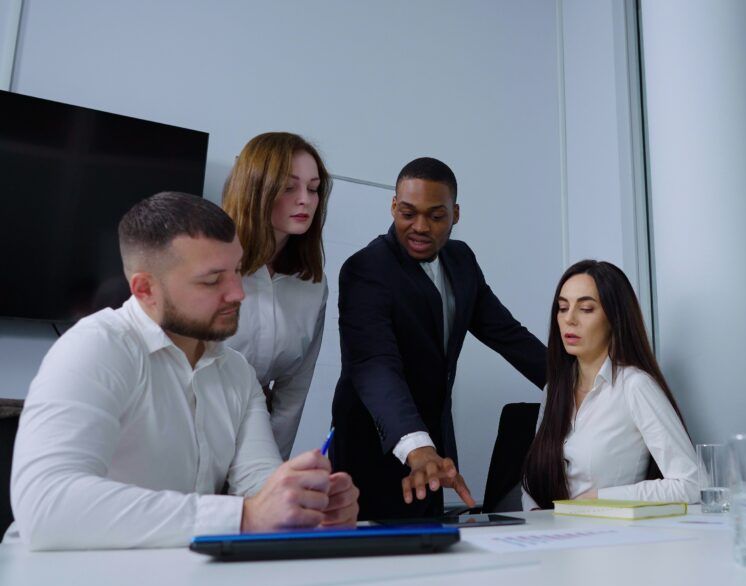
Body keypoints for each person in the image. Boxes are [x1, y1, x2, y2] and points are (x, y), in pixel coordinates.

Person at [6, 192, 358, 550]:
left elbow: (258, 485)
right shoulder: (96, 348)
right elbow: (46, 504)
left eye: (238, 270)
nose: (238, 293)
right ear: (145, 289)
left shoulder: (235, 371)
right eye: (211, 281)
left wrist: (305, 507)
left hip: (170, 582)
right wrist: (244, 517)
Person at [331, 157, 546, 520]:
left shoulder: (461, 261)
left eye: (436, 216)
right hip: (376, 451)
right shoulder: (366, 269)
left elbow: (507, 334)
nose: (420, 227)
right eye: (408, 213)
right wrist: (416, 445)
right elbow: (375, 365)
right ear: (393, 206)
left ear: (455, 214)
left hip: (436, 454)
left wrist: (578, 383)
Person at [521, 260, 699, 510]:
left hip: (610, 540)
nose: (569, 319)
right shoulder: (554, 391)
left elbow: (690, 483)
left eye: (585, 309)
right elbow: (532, 489)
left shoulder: (634, 386)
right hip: (552, 538)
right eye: (562, 308)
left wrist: (600, 498)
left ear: (614, 318)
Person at [221, 132, 331, 459]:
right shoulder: (211, 264)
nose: (306, 200)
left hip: (253, 444)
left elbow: (293, 393)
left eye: (313, 189)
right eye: (289, 187)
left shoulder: (312, 284)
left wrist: (271, 471)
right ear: (256, 188)